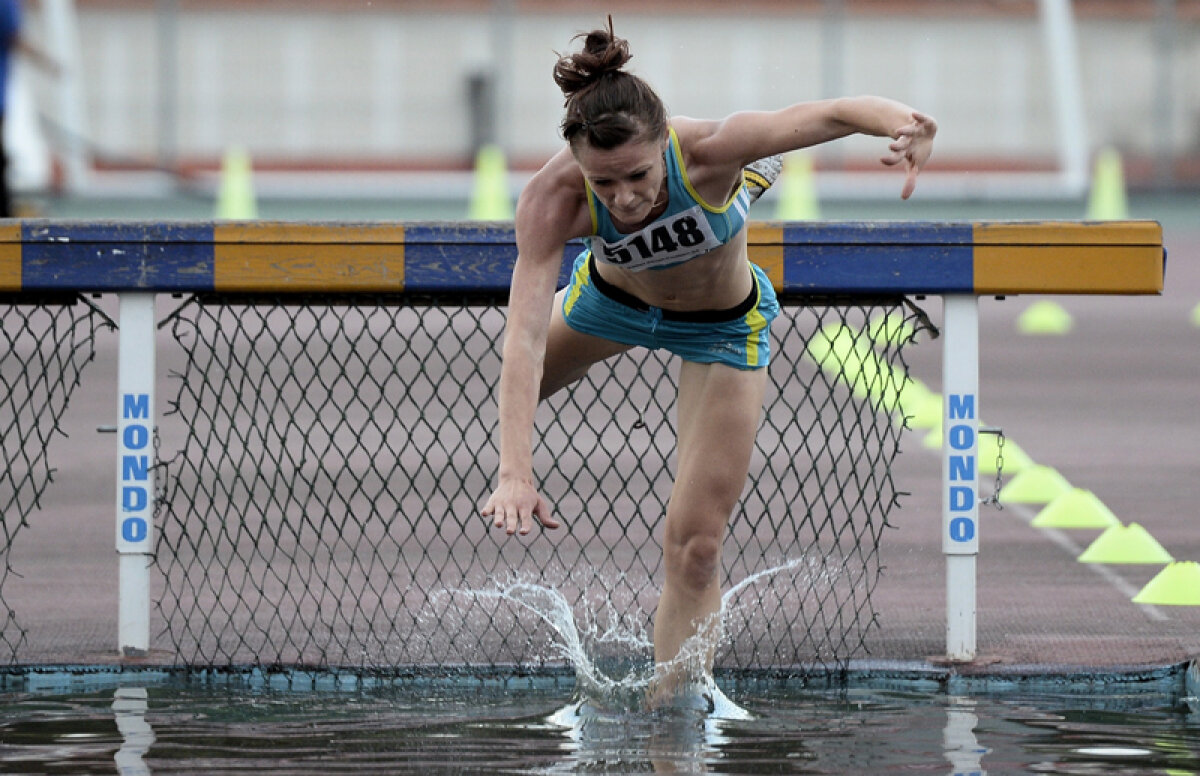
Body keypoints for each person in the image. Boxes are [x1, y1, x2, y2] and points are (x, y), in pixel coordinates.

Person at [480, 19, 936, 705]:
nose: (625, 199)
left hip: (722, 328)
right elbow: (522, 340)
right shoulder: (555, 200)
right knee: (512, 400)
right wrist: (514, 474)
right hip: (610, 304)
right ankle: (744, 187)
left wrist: (908, 125)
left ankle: (677, 713)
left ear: (663, 147)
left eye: (637, 175)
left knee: (695, 547)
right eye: (604, 184)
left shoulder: (703, 150)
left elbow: (831, 113)